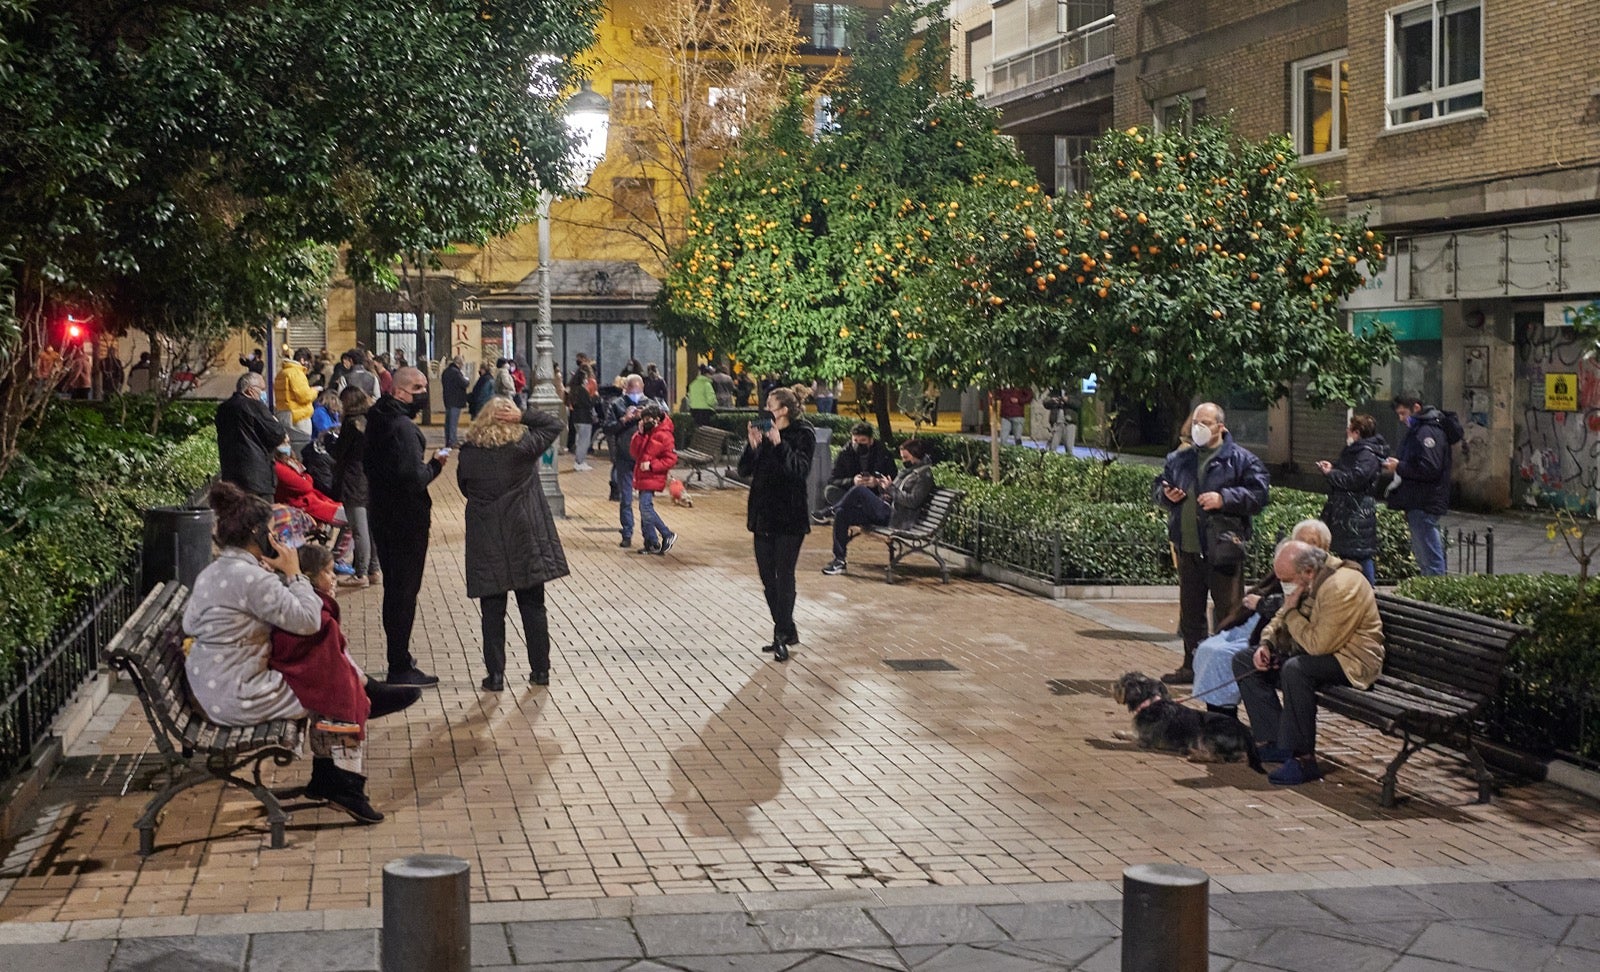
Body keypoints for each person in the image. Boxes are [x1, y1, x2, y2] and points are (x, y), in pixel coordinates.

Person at [185, 484, 420, 824]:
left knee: (325, 670)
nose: (275, 539)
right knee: (331, 687)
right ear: (256, 534)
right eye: (270, 533)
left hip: (211, 684)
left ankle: (329, 775)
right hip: (236, 694)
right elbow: (308, 620)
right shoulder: (252, 579)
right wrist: (294, 573)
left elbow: (192, 620)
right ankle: (346, 784)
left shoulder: (214, 571)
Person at [1233, 539, 1384, 786]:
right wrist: (1266, 645)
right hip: (1319, 652)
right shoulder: (1310, 578)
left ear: (1308, 571)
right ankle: (1276, 741)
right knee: (1245, 660)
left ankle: (1304, 759)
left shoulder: (1341, 585)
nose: (1285, 585)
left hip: (1352, 660)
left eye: (1287, 579)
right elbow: (1282, 615)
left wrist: (1291, 613)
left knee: (1296, 670)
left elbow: (1318, 645)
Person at [1153, 402, 1271, 685]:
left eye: (1205, 423)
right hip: (1189, 548)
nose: (1199, 428)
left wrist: (1224, 499)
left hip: (1223, 549)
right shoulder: (1180, 459)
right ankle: (1191, 666)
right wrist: (1165, 495)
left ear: (1221, 427)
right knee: (1191, 612)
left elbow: (1259, 495)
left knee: (1229, 612)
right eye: (1196, 422)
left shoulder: (1241, 460)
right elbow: (1158, 487)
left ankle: (1228, 668)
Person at [456, 397, 569, 690]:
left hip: (487, 538)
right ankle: (540, 671)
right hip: (525, 537)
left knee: (492, 612)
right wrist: (523, 416)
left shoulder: (469, 453)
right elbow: (555, 423)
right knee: (533, 607)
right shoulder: (523, 448)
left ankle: (495, 676)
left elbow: (464, 487)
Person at [1190, 519, 1332, 719]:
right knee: (1209, 647)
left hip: (1284, 635)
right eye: (1301, 541)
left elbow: (1298, 607)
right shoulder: (1290, 562)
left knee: (1225, 655)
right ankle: (1219, 720)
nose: (1306, 547)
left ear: (1324, 547)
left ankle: (1225, 724)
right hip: (1260, 625)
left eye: (1312, 543)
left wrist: (1263, 604)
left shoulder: (1324, 574)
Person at [363, 366, 449, 685]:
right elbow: (414, 478)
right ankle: (399, 665)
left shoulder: (378, 420)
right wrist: (436, 466)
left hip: (383, 516)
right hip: (404, 522)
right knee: (403, 593)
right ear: (399, 391)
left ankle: (398, 657)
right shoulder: (402, 429)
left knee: (394, 590)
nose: (423, 393)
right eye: (417, 387)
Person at [738, 387, 815, 661]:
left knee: (785, 576)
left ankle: (780, 634)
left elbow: (799, 471)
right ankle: (788, 628)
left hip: (790, 517)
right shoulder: (764, 434)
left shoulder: (802, 434)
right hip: (762, 515)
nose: (765, 408)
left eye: (770, 404)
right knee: (767, 578)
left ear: (783, 410)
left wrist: (780, 443)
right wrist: (753, 444)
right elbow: (743, 470)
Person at [820, 438, 934, 576]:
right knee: (842, 513)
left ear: (916, 455)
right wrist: (884, 488)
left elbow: (913, 501)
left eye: (906, 457)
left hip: (896, 518)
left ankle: (829, 511)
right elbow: (894, 493)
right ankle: (839, 561)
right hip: (886, 509)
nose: (903, 460)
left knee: (860, 490)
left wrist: (891, 489)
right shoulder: (907, 471)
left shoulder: (924, 475)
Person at [1383, 392, 1459, 577]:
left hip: (1424, 501)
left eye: (1403, 413)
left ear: (1416, 408)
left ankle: (1434, 593)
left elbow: (1429, 468)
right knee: (1424, 557)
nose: (1401, 419)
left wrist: (1399, 466)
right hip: (1419, 500)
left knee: (1430, 560)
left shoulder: (1428, 431)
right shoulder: (1421, 429)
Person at [1318, 414, 1387, 585]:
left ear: (1357, 432)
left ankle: (1367, 591)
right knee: (1349, 554)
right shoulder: (1357, 451)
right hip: (1347, 511)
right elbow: (1350, 473)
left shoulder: (1366, 454)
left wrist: (1331, 474)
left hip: (1356, 513)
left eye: (1350, 428)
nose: (1346, 431)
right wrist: (1333, 468)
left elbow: (1355, 479)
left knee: (1359, 554)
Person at [331, 387, 380, 589]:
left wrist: (329, 443)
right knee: (369, 527)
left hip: (353, 478)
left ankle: (360, 573)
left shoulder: (351, 423)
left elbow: (339, 452)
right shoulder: (371, 420)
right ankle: (374, 569)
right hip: (371, 476)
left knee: (359, 529)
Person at [216, 372, 287, 501]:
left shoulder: (224, 408)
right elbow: (277, 434)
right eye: (262, 389)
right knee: (261, 516)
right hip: (257, 476)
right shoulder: (254, 406)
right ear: (250, 390)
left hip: (231, 473)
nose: (264, 394)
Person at [603, 374, 649, 548]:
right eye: (632, 391)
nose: (636, 395)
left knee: (646, 502)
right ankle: (627, 533)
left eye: (639, 391)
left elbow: (662, 425)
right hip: (624, 456)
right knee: (626, 498)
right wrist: (624, 420)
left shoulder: (650, 404)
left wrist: (644, 417)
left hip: (644, 458)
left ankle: (648, 535)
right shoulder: (617, 404)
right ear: (626, 389)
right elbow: (608, 427)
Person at [630, 403, 679, 555]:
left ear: (657, 419)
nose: (645, 422)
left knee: (645, 507)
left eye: (648, 419)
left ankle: (667, 534)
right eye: (644, 419)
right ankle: (651, 542)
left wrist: (651, 465)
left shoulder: (665, 435)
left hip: (653, 476)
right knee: (644, 508)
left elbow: (671, 459)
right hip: (643, 475)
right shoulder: (647, 432)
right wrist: (639, 434)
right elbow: (634, 452)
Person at [815, 422, 898, 512]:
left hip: (875, 494)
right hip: (852, 493)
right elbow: (833, 480)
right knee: (830, 491)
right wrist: (852, 481)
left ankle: (839, 510)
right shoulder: (844, 454)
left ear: (871, 441)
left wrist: (877, 482)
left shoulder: (883, 453)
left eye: (863, 440)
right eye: (855, 440)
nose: (858, 444)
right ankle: (860, 509)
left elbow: (893, 476)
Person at [274, 347, 317, 439]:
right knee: (301, 444)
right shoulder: (296, 373)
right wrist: (314, 391)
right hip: (298, 416)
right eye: (308, 362)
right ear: (302, 360)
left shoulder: (282, 372)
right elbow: (304, 396)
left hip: (283, 414)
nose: (309, 366)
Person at [567, 365, 596, 471]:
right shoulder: (582, 391)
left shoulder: (573, 390)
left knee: (579, 440)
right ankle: (580, 461)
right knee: (584, 441)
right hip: (584, 419)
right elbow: (588, 404)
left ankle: (579, 461)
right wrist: (595, 397)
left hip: (576, 418)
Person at [440, 356, 470, 448]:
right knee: (453, 422)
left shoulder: (446, 372)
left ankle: (448, 440)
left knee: (448, 422)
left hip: (447, 399)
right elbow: (464, 383)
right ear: (459, 363)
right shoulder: (456, 373)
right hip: (456, 400)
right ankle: (453, 441)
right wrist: (466, 379)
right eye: (462, 364)